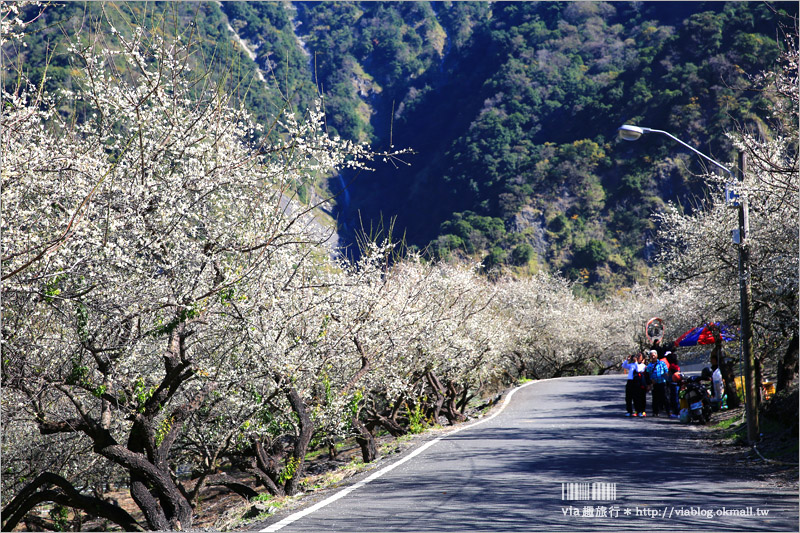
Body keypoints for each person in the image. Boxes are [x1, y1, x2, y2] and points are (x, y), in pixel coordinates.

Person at [646, 350, 669, 417]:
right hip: (655, 384)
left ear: (657, 355)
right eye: (651, 356)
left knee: (665, 397)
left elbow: (666, 371)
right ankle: (655, 412)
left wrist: (665, 377)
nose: (653, 357)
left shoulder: (662, 363)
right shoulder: (649, 366)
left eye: (654, 355)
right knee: (655, 398)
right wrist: (650, 381)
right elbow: (648, 375)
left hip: (662, 382)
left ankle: (668, 412)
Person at [631, 352, 649, 417]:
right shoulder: (634, 365)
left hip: (642, 383)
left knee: (642, 397)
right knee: (635, 398)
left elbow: (638, 370)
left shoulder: (643, 366)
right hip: (635, 383)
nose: (638, 357)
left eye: (639, 356)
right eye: (637, 356)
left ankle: (643, 411)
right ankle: (637, 411)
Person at [666, 352, 681, 418]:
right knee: (676, 398)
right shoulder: (676, 366)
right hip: (676, 383)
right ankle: (677, 412)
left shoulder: (672, 366)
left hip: (673, 383)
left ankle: (676, 412)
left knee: (674, 399)